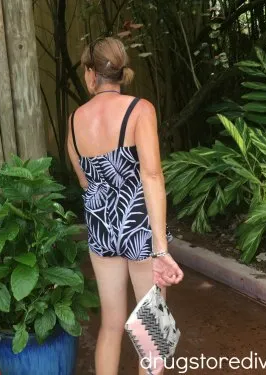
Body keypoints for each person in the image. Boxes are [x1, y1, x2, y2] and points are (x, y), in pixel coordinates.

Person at [67, 37, 184, 375]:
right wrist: (161, 250)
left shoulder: (74, 120)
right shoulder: (140, 110)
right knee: (152, 327)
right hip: (139, 227)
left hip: (101, 227)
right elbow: (152, 176)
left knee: (111, 324)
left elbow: (85, 182)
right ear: (120, 71)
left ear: (91, 74)